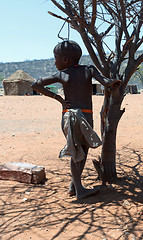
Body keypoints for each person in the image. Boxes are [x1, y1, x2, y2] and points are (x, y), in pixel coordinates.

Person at [31, 40, 120, 200]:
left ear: (66, 60)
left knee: (78, 151)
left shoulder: (63, 74)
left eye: (55, 57)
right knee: (79, 151)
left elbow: (35, 85)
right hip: (85, 115)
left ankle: (74, 186)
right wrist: (113, 83)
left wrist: (58, 98)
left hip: (69, 116)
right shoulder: (88, 70)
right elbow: (105, 82)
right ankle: (79, 189)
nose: (54, 61)